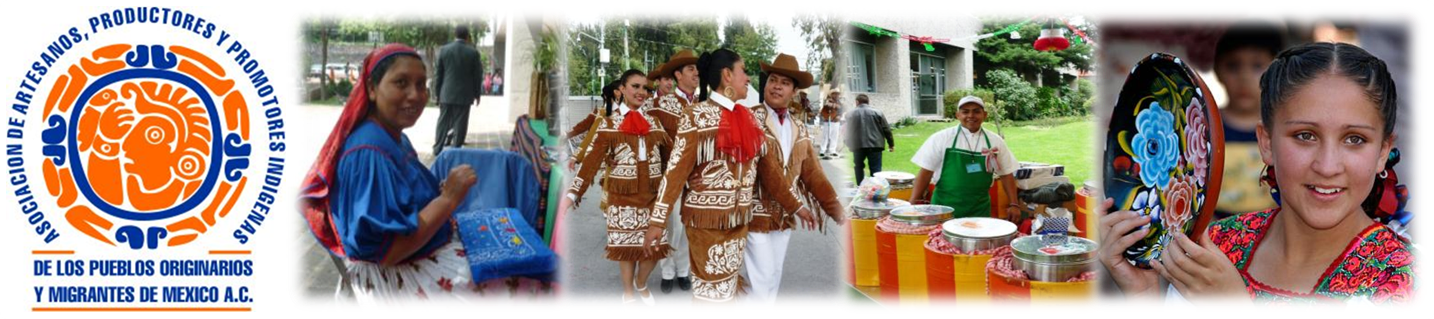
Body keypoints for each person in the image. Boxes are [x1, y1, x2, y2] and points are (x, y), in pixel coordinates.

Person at [1100, 43, 1419, 306]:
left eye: (1355, 139)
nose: (1327, 165)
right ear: (1266, 143)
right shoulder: (1215, 249)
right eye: (1305, 135)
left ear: (1382, 152)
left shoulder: (1409, 279)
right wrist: (1142, 296)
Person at [294, 44, 501, 306]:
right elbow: (390, 250)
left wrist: (440, 194)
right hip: (392, 276)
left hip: (411, 259)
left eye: (421, 84)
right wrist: (448, 199)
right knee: (516, 281)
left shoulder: (391, 137)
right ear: (371, 88)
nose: (415, 95)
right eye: (401, 82)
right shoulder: (369, 153)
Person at [641, 48, 813, 306]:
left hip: (739, 222)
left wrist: (796, 206)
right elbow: (675, 171)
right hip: (706, 223)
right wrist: (657, 221)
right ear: (727, 75)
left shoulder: (751, 119)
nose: (748, 79)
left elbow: (770, 173)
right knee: (713, 296)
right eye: (743, 71)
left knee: (728, 290)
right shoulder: (696, 116)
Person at [742, 53, 848, 306]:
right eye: (773, 80)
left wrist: (838, 211)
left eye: (785, 83)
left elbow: (812, 174)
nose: (776, 86)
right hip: (754, 214)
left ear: (794, 91)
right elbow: (767, 173)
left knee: (773, 277)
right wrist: (798, 207)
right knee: (762, 280)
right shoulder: (748, 118)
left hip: (783, 219)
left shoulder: (798, 127)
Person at [565, 69, 671, 306]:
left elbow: (671, 158)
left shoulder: (654, 122)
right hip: (623, 198)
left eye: (645, 88)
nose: (641, 92)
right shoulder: (609, 124)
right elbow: (591, 163)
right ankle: (628, 293)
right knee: (627, 250)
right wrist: (572, 195)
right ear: (621, 89)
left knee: (655, 249)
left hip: (653, 198)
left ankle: (641, 282)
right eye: (635, 86)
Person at [1212, 16, 1286, 219]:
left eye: (1256, 66)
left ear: (1276, 70)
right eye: (1233, 66)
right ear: (1217, 70)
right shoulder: (1204, 127)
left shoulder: (1284, 129)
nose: (1244, 77)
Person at [909, 96, 1022, 221]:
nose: (971, 115)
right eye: (965, 111)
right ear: (958, 115)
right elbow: (926, 172)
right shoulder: (941, 138)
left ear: (985, 115)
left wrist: (1014, 204)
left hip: (980, 210)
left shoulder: (995, 141)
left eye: (976, 111)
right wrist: (913, 204)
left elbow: (1006, 174)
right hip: (944, 209)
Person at [649, 49, 701, 294]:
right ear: (678, 74)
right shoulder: (659, 105)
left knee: (689, 230)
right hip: (670, 180)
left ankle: (683, 270)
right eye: (691, 69)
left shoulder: (703, 106)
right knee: (671, 228)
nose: (696, 73)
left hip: (698, 181)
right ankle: (668, 271)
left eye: (696, 69)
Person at [433, 25, 484, 156]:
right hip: (464, 95)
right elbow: (477, 76)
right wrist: (477, 94)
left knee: (443, 122)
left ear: (455, 35)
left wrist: (436, 93)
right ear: (467, 36)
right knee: (461, 124)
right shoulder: (473, 53)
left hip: (446, 93)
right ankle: (455, 150)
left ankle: (437, 148)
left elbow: (438, 74)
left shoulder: (444, 50)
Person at [842, 94, 893, 185]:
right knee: (876, 169)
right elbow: (886, 129)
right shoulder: (878, 113)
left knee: (858, 166)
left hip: (858, 145)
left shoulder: (850, 114)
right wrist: (891, 143)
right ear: (868, 102)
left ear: (857, 102)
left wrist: (848, 144)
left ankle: (860, 187)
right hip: (875, 145)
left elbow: (847, 131)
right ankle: (876, 188)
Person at [818, 90, 846, 159]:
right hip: (828, 121)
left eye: (837, 94)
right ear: (832, 94)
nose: (836, 95)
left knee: (834, 136)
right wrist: (834, 105)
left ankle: (832, 151)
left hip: (836, 122)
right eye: (835, 94)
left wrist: (839, 116)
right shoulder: (828, 100)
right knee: (826, 136)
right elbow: (826, 106)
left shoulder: (840, 102)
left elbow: (841, 110)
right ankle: (822, 151)